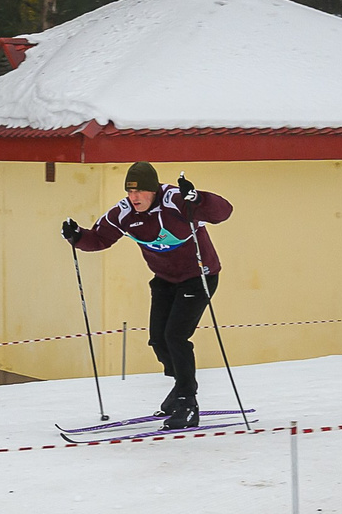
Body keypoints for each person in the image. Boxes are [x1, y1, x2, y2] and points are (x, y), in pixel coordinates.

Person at [63, 162, 234, 429]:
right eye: (130, 192)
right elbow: (99, 238)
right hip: (165, 279)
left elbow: (223, 212)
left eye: (140, 191)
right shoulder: (123, 213)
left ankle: (188, 402)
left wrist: (198, 198)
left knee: (176, 336)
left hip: (198, 277)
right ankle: (180, 386)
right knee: (158, 340)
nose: (134, 197)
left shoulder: (174, 201)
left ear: (153, 190)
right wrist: (77, 237)